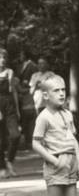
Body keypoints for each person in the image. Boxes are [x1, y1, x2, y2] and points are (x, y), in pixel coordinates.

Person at [31, 74, 79, 196]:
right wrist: (55, 161)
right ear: (45, 95)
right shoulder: (43, 117)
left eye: (63, 89)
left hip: (71, 164)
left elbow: (73, 139)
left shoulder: (68, 114)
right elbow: (36, 144)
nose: (61, 93)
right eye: (56, 90)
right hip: (55, 166)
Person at [0, 49, 20, 178]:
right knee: (1, 139)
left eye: (4, 57)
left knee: (15, 135)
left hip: (10, 106)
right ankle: (2, 167)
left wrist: (17, 109)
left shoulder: (10, 72)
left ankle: (9, 161)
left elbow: (13, 92)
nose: (3, 59)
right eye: (0, 57)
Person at [17, 51, 36, 150]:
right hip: (21, 92)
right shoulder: (21, 65)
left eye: (21, 54)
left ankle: (32, 142)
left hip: (28, 92)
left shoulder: (31, 65)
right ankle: (27, 141)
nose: (20, 56)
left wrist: (27, 84)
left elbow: (33, 77)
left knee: (30, 119)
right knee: (23, 119)